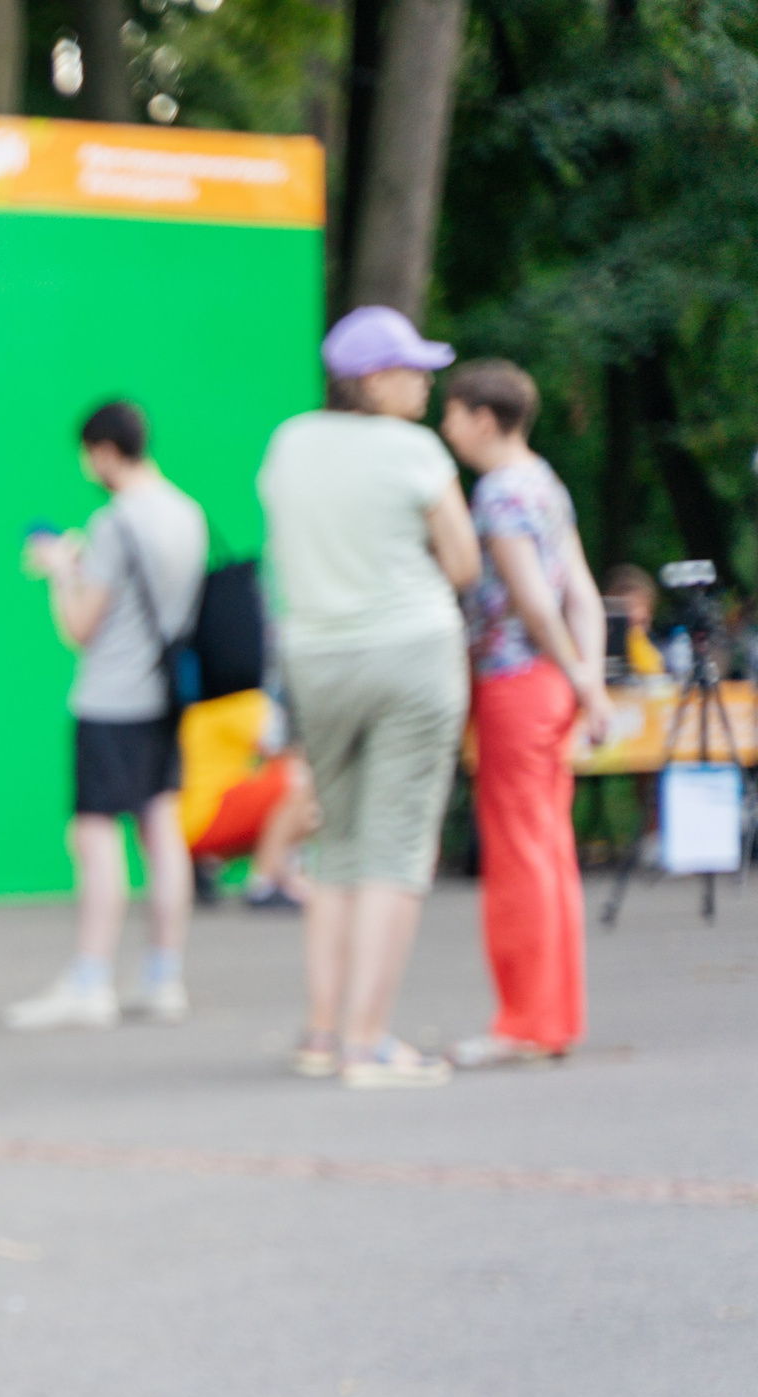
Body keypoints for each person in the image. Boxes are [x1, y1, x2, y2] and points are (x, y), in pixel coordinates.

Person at [259, 306, 482, 1089]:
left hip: (315, 658)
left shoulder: (289, 443)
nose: (424, 383)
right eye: (413, 370)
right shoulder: (414, 450)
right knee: (394, 850)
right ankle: (369, 1041)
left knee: (339, 845)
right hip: (409, 655)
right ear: (372, 379)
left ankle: (324, 1034)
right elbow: (461, 562)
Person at [7, 400, 208, 1029]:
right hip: (164, 695)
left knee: (95, 835)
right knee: (161, 828)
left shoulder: (114, 524)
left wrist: (59, 573)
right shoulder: (188, 513)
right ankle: (163, 975)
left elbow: (80, 627)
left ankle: (91, 979)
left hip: (111, 699)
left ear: (103, 451)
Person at [438, 359, 615, 1067]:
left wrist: (576, 671)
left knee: (517, 853)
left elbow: (534, 601)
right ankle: (553, 1016)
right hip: (550, 686)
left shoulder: (498, 494)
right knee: (549, 848)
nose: (446, 426)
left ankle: (522, 1021)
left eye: (451, 412)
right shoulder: (545, 483)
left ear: (485, 418)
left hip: (512, 682)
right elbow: (582, 593)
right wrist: (587, 680)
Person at [177, 688, 317, 909]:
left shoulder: (197, 699)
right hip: (200, 823)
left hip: (174, 825)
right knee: (298, 778)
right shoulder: (242, 699)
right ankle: (267, 883)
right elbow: (288, 751)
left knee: (291, 794)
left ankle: (206, 868)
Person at [606, 564, 666, 679]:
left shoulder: (656, 653)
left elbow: (654, 674)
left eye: (641, 623)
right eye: (625, 624)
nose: (634, 633)